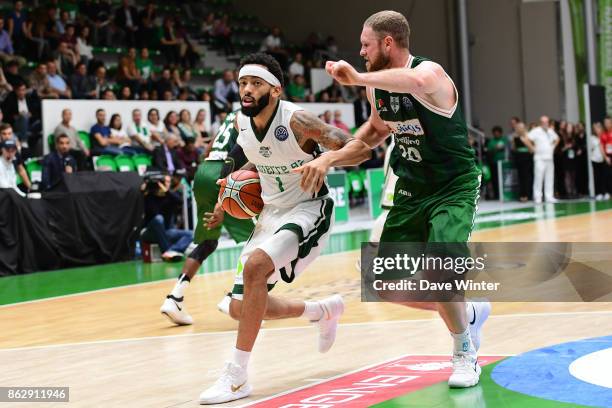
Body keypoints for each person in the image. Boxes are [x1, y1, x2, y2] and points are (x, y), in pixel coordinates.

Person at [295, 10, 490, 389]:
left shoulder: (430, 74)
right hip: (412, 188)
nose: (361, 51)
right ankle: (467, 313)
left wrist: (357, 77)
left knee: (441, 266)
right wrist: (330, 157)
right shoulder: (376, 87)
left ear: (388, 43)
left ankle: (464, 351)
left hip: (452, 186)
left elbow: (414, 80)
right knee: (383, 281)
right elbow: (376, 129)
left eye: (366, 44)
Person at [198, 53, 350, 404]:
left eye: (255, 84)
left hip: (309, 208)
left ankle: (236, 377)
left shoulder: (298, 120)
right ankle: (322, 311)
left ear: (276, 90)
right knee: (240, 307)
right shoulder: (241, 122)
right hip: (271, 214)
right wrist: (225, 201)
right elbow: (259, 155)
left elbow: (344, 141)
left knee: (254, 268)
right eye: (242, 83)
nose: (247, 90)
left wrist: (325, 159)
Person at [160, 110, 255, 325]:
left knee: (208, 241)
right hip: (226, 170)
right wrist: (226, 181)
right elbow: (242, 150)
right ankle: (235, 298)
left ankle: (175, 298)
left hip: (205, 171)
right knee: (259, 240)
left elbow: (210, 146)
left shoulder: (233, 115)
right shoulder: (257, 115)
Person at [140, 173, 193, 261]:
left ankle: (172, 250)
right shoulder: (149, 197)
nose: (168, 184)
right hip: (149, 232)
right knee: (159, 219)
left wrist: (167, 192)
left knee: (192, 234)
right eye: (165, 181)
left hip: (166, 232)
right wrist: (145, 190)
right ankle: (167, 251)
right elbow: (153, 213)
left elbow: (180, 201)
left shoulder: (170, 197)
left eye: (169, 182)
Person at [527, 116, 560, 203]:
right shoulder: (536, 131)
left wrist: (553, 147)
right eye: (543, 122)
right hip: (539, 158)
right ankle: (538, 197)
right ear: (540, 123)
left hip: (549, 157)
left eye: (546, 122)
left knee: (549, 177)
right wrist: (532, 148)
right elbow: (527, 139)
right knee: (538, 177)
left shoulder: (550, 131)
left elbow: (557, 139)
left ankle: (549, 196)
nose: (545, 123)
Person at [511, 122, 533, 202]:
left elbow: (531, 149)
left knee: (526, 177)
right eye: (518, 128)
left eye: (521, 127)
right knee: (520, 177)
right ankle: (521, 195)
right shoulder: (515, 137)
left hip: (526, 158)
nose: (519, 129)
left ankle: (527, 195)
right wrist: (513, 142)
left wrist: (524, 141)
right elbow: (513, 149)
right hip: (518, 158)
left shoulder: (528, 136)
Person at [486, 126, 506, 200]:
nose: (496, 134)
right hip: (494, 162)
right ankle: (496, 195)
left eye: (498, 133)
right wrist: (495, 148)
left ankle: (504, 194)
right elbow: (489, 151)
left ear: (500, 133)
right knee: (495, 179)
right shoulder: (491, 141)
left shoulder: (504, 139)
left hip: (503, 163)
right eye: (495, 133)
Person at [590, 122, 607, 200]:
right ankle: (598, 193)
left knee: (603, 177)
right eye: (596, 128)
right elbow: (592, 148)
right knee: (597, 177)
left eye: (599, 127)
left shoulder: (604, 136)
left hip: (602, 159)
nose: (598, 129)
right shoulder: (592, 138)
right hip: (595, 160)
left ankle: (605, 192)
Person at [600, 117, 612, 197]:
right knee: (607, 175)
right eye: (605, 123)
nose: (607, 124)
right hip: (607, 156)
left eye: (608, 122)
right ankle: (609, 192)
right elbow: (601, 147)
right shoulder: (603, 134)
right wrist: (605, 157)